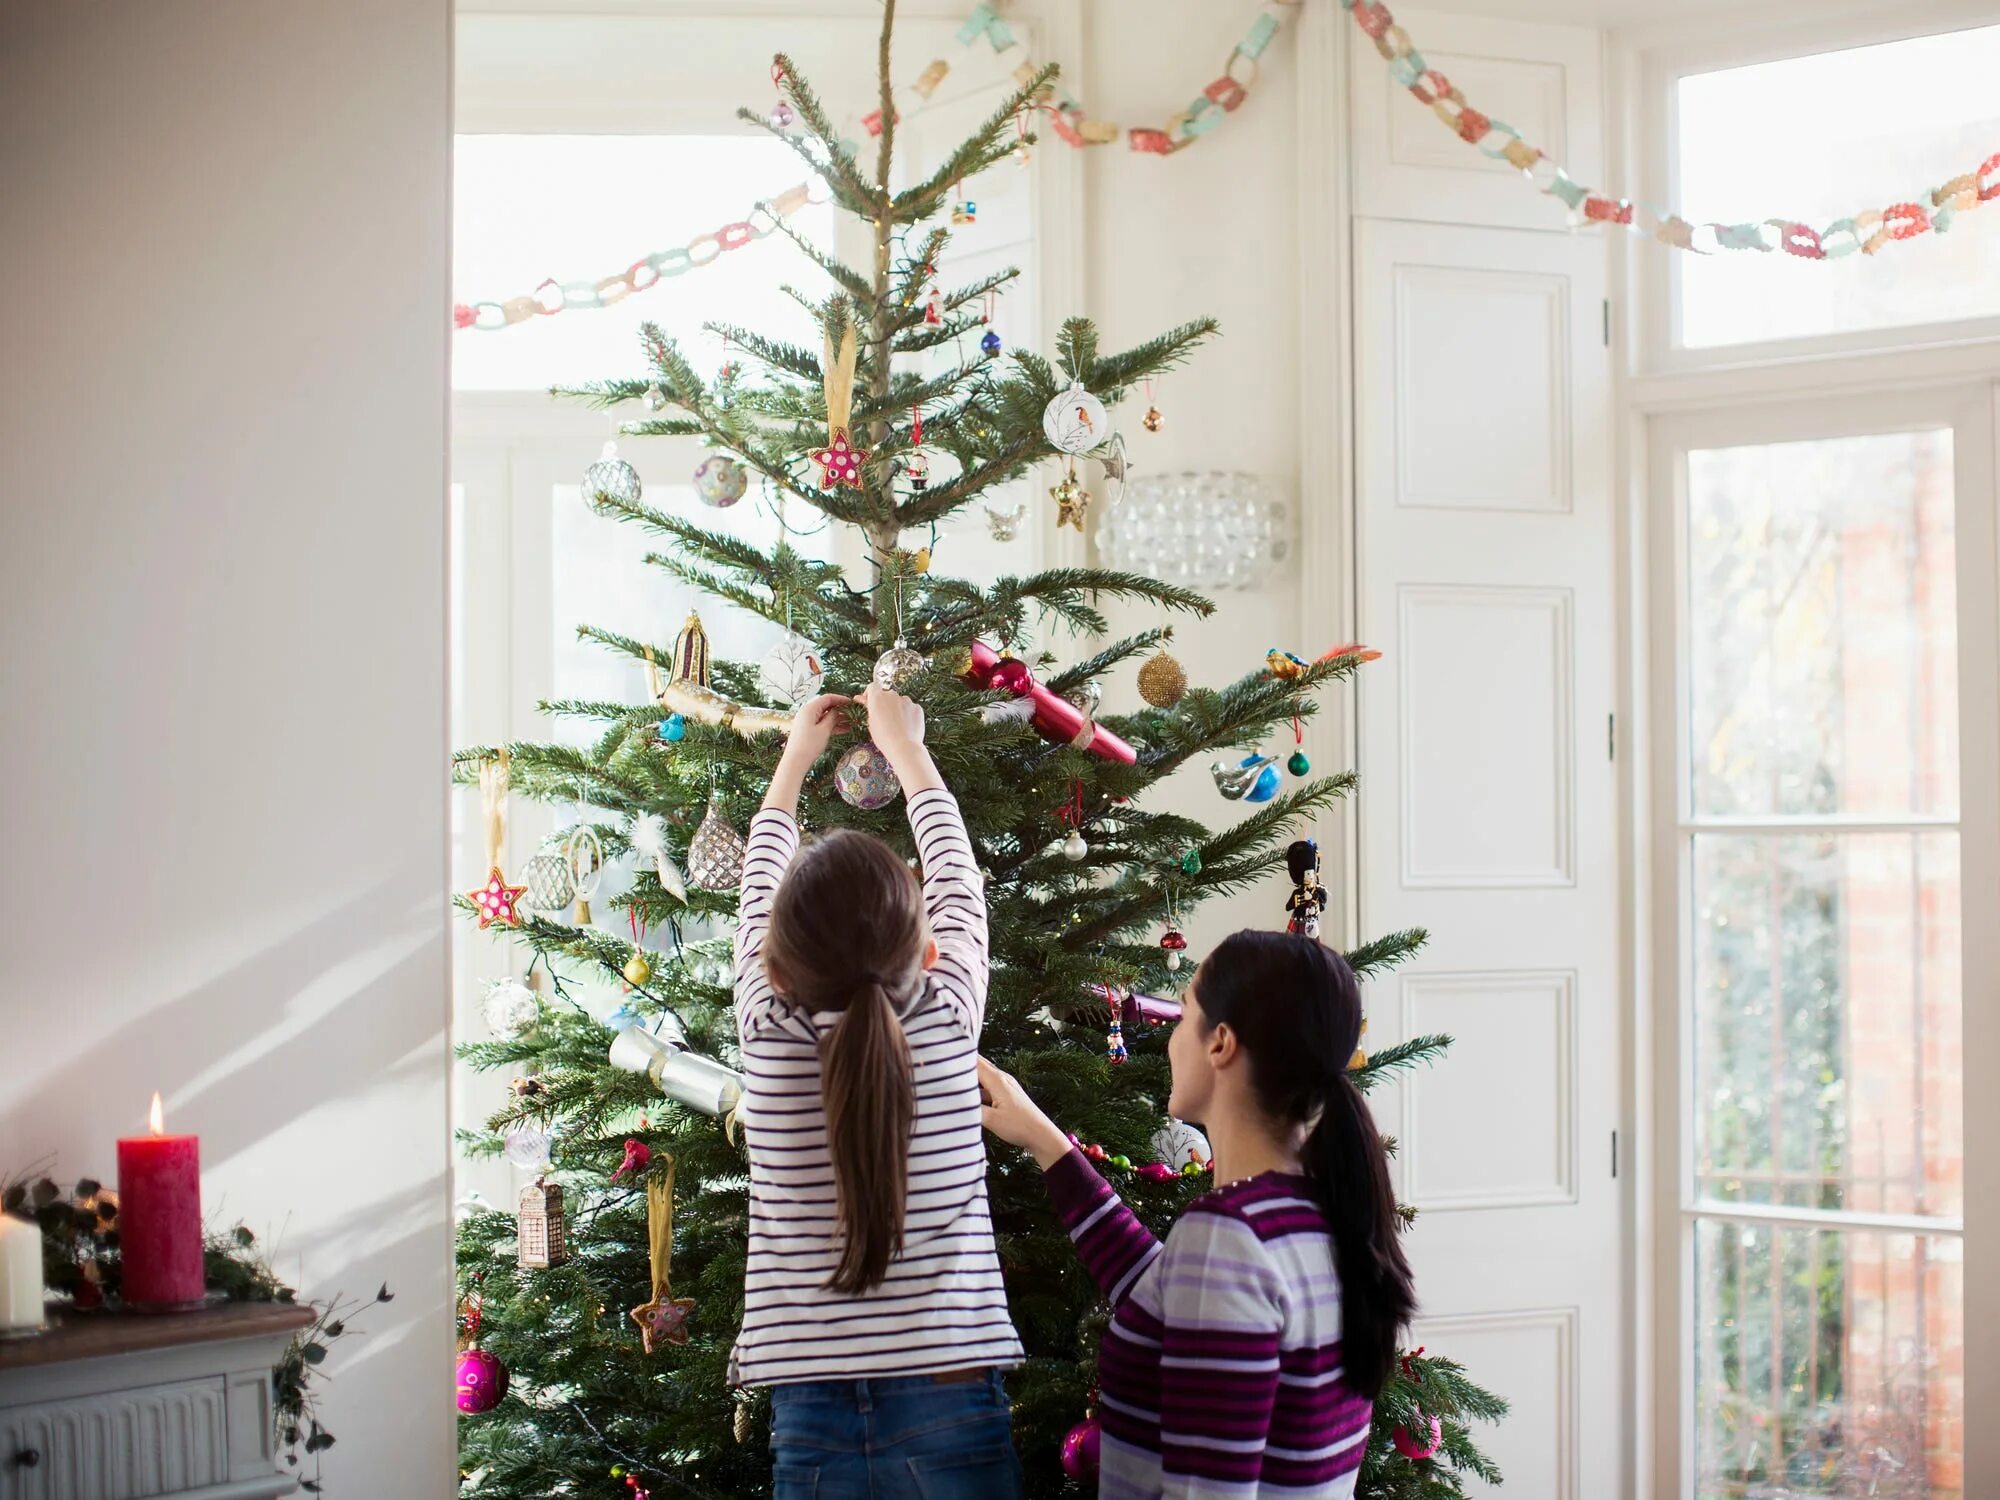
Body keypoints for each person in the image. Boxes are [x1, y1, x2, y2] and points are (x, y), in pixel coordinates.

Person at [980, 930, 1415, 1498]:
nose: (1167, 1039)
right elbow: (1159, 1290)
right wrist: (1046, 1142)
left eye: (1184, 1014)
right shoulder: (1319, 1212)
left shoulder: (1229, 1237)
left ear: (1221, 1044)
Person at [732, 683, 1024, 1500]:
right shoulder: (947, 1019)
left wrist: (795, 760)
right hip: (953, 1399)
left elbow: (755, 898)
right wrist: (909, 751)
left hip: (811, 1412)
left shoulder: (766, 1036)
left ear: (776, 970)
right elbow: (962, 888)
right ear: (928, 952)